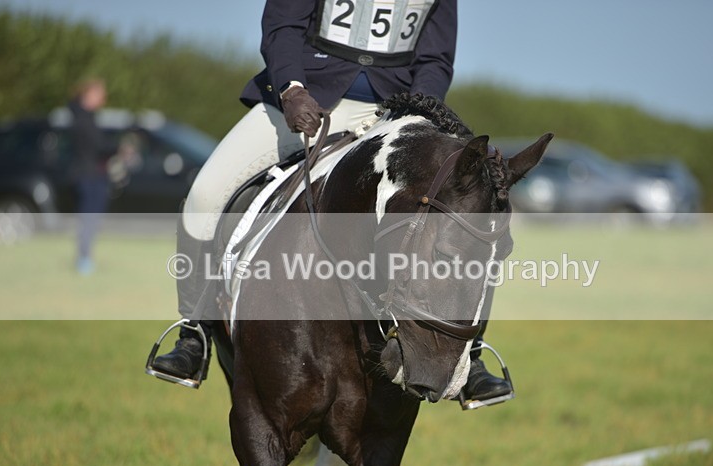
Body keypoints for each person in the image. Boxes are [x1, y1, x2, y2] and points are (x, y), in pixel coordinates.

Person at [151, 0, 511, 401]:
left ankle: (473, 356)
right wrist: (291, 89)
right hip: (307, 101)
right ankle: (194, 331)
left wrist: (417, 116)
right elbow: (283, 26)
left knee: (475, 209)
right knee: (205, 193)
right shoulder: (296, 92)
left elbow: (436, 59)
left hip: (396, 115)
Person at [68, 78, 109, 275]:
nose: (103, 98)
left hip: (93, 175)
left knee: (91, 220)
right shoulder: (82, 119)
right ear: (88, 94)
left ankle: (86, 256)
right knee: (88, 219)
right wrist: (118, 149)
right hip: (88, 176)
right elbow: (97, 148)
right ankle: (84, 258)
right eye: (99, 94)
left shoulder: (85, 117)